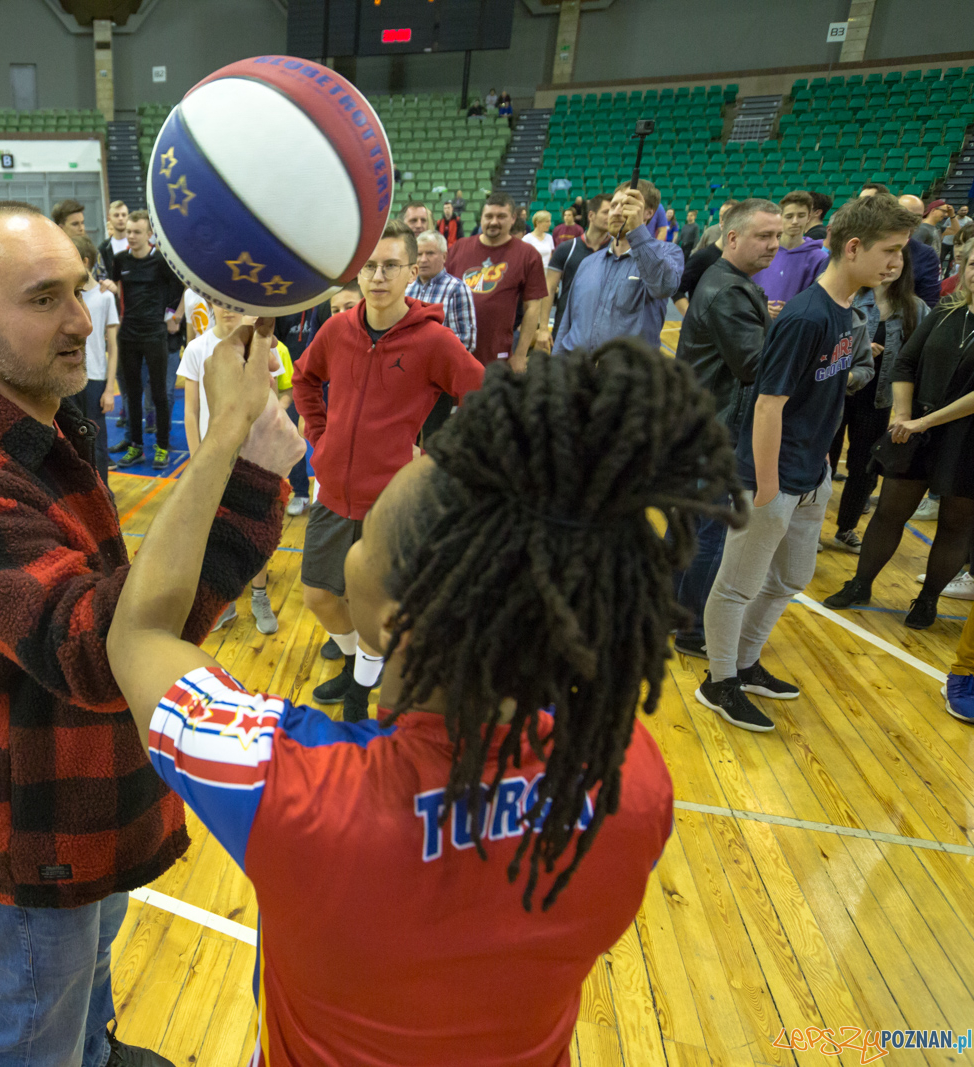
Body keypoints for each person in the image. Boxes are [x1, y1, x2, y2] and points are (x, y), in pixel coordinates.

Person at [106, 338, 711, 1067]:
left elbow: (137, 633)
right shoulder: (630, 776)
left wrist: (225, 433)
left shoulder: (298, 793)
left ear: (399, 622)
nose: (352, 550)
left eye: (365, 541)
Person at [0, 200, 287, 1067]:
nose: (81, 320)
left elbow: (129, 610)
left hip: (83, 791)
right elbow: (101, 650)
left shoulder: (46, 419)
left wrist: (251, 477)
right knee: (35, 1022)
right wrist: (230, 443)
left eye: (81, 290)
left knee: (87, 970)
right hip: (27, 819)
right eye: (44, 299)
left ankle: (96, 1054)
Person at [698, 193, 919, 732]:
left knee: (792, 577)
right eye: (890, 251)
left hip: (810, 471)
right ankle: (718, 680)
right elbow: (767, 404)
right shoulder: (805, 317)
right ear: (852, 247)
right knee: (736, 584)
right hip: (769, 477)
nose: (897, 263)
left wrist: (822, 459)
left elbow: (821, 393)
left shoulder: (847, 310)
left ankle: (745, 664)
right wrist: (768, 486)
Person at [295, 221, 485, 721]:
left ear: (410, 272)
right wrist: (320, 436)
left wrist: (444, 461)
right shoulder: (337, 330)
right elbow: (304, 379)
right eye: (370, 267)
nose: (378, 276)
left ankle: (360, 693)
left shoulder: (434, 341)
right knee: (318, 594)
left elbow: (485, 397)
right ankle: (361, 662)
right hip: (332, 489)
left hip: (391, 505)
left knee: (381, 608)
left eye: (390, 266)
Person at [823, 241, 974, 628]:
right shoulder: (945, 311)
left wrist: (922, 423)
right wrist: (903, 414)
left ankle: (927, 601)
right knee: (889, 510)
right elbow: (905, 361)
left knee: (956, 524)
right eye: (973, 263)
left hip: (966, 439)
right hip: (915, 427)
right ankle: (860, 583)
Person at [671, 198, 782, 658]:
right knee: (709, 529)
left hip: (700, 422)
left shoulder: (730, 282)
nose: (774, 245)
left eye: (777, 236)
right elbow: (755, 365)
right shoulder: (729, 291)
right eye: (764, 236)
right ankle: (695, 628)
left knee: (688, 523)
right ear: (731, 238)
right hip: (717, 429)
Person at [179, 301, 293, 634]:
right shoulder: (198, 349)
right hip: (212, 459)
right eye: (220, 300)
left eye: (236, 303)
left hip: (251, 457)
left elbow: (272, 396)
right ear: (209, 302)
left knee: (255, 527)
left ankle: (259, 595)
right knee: (215, 531)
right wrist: (197, 458)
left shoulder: (257, 348)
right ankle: (225, 602)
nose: (227, 309)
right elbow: (190, 409)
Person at [827, 257, 927, 552]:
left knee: (864, 467)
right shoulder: (850, 296)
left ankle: (846, 528)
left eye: (899, 260)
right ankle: (806, 525)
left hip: (878, 399)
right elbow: (826, 343)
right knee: (825, 460)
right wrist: (860, 350)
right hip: (840, 392)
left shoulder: (915, 308)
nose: (891, 265)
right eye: (887, 257)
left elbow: (917, 357)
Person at [553, 182, 684, 357]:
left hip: (628, 378)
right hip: (578, 373)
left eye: (625, 205)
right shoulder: (588, 263)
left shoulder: (668, 253)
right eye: (613, 205)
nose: (615, 211)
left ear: (648, 212)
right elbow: (568, 324)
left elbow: (664, 286)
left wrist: (637, 230)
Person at [107, 210, 183, 469]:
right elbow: (118, 291)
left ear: (149, 234)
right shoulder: (119, 260)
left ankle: (161, 446)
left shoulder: (161, 262)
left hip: (154, 335)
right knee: (131, 394)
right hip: (127, 335)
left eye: (137, 232)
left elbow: (178, 289)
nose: (131, 236)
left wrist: (172, 317)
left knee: (160, 393)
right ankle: (136, 447)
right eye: (128, 231)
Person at [446, 193, 547, 371]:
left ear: (513, 219)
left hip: (498, 354)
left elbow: (532, 308)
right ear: (482, 218)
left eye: (501, 216)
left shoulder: (528, 255)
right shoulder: (459, 248)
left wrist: (521, 355)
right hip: (455, 351)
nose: (493, 222)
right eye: (489, 216)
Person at [66, 234, 119, 488]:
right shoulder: (66, 298)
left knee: (97, 443)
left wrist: (110, 389)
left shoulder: (104, 297)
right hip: (68, 377)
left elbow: (113, 345)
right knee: (70, 440)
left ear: (85, 261)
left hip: (95, 378)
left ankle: (103, 494)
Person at [542, 193, 612, 346]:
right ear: (591, 215)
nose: (611, 216)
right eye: (606, 212)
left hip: (605, 330)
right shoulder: (566, 248)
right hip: (567, 327)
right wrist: (543, 328)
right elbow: (549, 288)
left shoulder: (618, 249)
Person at [748, 191, 828, 320]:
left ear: (808, 217)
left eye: (801, 215)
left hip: (795, 327)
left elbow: (820, 301)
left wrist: (793, 310)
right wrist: (760, 307)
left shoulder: (819, 258)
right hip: (757, 324)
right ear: (780, 217)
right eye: (789, 216)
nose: (795, 221)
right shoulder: (762, 252)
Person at [406, 231, 476, 353]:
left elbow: (465, 341)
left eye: (430, 253)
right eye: (419, 254)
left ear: (444, 256)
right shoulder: (407, 288)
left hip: (441, 367)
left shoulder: (456, 289)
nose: (423, 259)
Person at [674, 198, 737, 312]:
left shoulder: (744, 259)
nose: (725, 220)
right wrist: (691, 318)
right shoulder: (702, 257)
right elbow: (677, 290)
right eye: (723, 216)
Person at [898, 194, 947, 306]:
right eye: (903, 214)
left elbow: (930, 301)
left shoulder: (926, 255)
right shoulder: (872, 246)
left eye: (916, 217)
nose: (910, 221)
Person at [98, 199, 130, 272]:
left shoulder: (137, 243)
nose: (120, 218)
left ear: (128, 217)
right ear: (109, 219)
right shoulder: (103, 248)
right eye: (116, 215)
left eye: (124, 215)